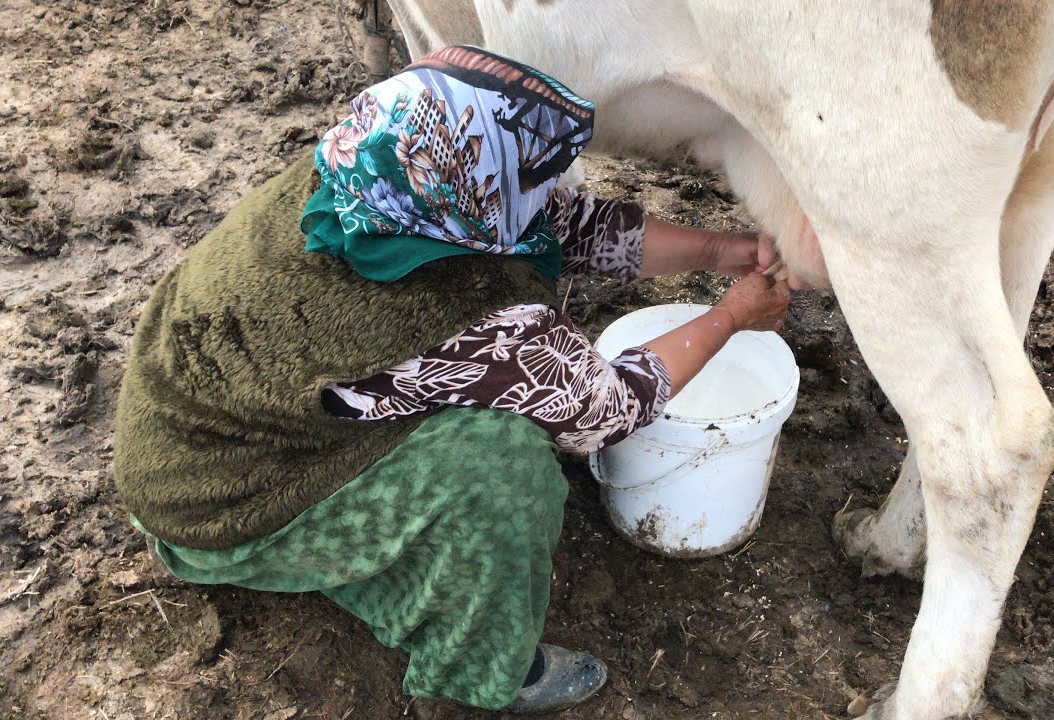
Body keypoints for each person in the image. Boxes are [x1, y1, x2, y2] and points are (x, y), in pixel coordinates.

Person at [113, 45, 791, 714]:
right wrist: (730, 317)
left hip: (205, 418)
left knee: (495, 407)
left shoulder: (379, 172)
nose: (541, 191)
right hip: (214, 504)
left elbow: (560, 224)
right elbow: (606, 411)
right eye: (523, 176)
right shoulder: (461, 306)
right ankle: (484, 668)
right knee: (503, 463)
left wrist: (718, 250)